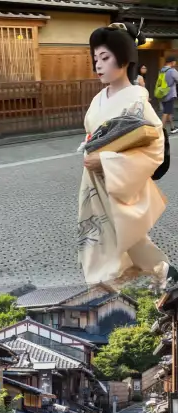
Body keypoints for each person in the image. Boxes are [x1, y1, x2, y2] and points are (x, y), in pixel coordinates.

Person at [80, 24, 170, 289]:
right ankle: (154, 275)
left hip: (118, 177)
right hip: (96, 179)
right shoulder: (99, 98)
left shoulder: (137, 101)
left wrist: (106, 161)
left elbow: (154, 145)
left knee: (129, 235)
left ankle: (164, 273)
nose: (98, 65)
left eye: (105, 58)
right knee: (106, 231)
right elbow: (92, 132)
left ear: (125, 58)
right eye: (96, 58)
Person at [156, 57, 178, 134]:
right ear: (172, 62)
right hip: (170, 94)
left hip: (162, 93)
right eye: (175, 62)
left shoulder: (161, 70)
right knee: (166, 112)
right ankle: (160, 129)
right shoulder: (172, 71)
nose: (175, 63)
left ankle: (172, 128)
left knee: (169, 111)